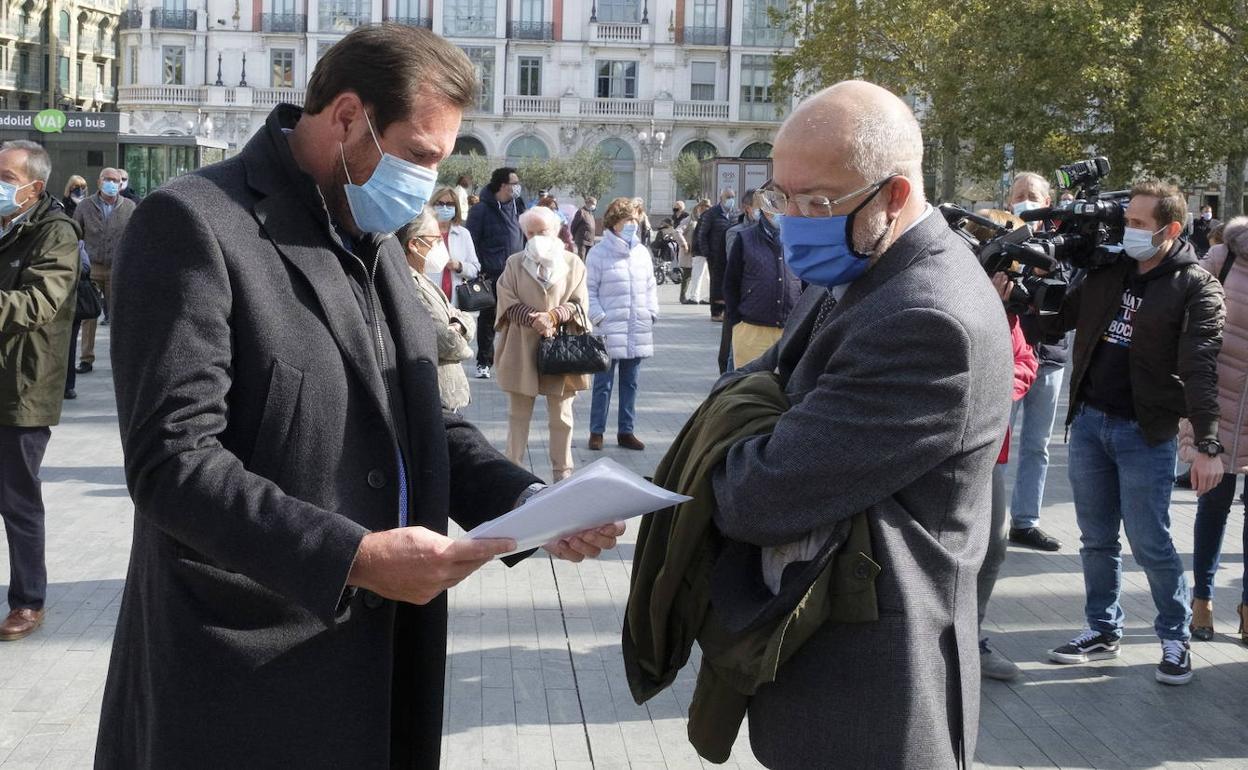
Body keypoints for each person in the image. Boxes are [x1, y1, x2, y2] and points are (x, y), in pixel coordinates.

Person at [94, 26, 622, 769]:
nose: (428, 184)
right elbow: (171, 463)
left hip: (380, 666)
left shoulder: (371, 240)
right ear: (346, 116)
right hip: (243, 674)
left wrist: (535, 509)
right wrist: (354, 557)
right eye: (418, 156)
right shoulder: (193, 223)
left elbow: (424, 420)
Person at [712, 81, 1011, 769]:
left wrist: (737, 436)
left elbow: (757, 495)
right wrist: (750, 422)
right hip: (830, 675)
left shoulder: (926, 317)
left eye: (817, 202)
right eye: (782, 198)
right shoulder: (865, 267)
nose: (794, 221)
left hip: (875, 699)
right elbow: (744, 390)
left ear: (895, 196)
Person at [1039, 180, 1224, 686]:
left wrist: (1207, 443)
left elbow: (1203, 367)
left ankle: (1174, 635)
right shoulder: (1108, 268)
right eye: (1127, 222)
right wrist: (1021, 291)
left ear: (1172, 229)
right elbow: (1055, 322)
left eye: (1140, 225)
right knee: (1096, 540)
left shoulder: (1195, 285)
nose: (1130, 232)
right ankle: (1101, 628)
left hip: (1146, 433)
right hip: (1090, 422)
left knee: (1150, 542)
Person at [0, 140, 80, 641]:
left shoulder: (57, 232)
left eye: (6, 178)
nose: (1, 186)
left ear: (34, 186)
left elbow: (38, 303)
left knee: (17, 499)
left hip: (21, 388)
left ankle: (28, 601)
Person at [1184, 216, 1248, 644]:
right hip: (1219, 405)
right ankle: (1202, 599)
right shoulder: (1225, 254)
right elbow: (1189, 311)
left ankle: (1247, 605)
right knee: (1214, 506)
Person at [493, 206, 590, 481]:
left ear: (557, 230)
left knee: (562, 418)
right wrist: (532, 318)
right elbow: (506, 300)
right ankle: (513, 473)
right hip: (520, 348)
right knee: (517, 416)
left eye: (542, 231)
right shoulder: (514, 263)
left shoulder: (573, 263)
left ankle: (563, 475)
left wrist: (552, 316)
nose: (536, 237)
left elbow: (579, 303)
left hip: (562, 349)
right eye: (531, 232)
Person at [1003, 172, 1067, 552]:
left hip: (1050, 356)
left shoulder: (1063, 245)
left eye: (1033, 195)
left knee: (1037, 445)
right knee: (996, 441)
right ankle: (985, 515)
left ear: (1047, 201)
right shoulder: (1004, 239)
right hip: (1008, 359)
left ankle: (1025, 521)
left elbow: (1073, 295)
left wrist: (1054, 270)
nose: (1025, 201)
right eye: (1019, 195)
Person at [586, 196, 659, 452]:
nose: (633, 224)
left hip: (636, 327)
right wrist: (599, 317)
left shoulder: (641, 252)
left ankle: (626, 431)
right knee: (602, 384)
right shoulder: (598, 253)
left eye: (635, 220)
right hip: (608, 329)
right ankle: (597, 432)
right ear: (615, 222)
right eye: (628, 219)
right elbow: (589, 291)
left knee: (631, 383)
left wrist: (651, 312)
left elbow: (651, 286)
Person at [396, 209, 475, 412]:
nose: (441, 245)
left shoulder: (425, 278)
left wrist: (458, 325)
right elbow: (444, 341)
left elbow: (462, 316)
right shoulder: (409, 283)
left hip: (446, 396)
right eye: (436, 239)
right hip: (433, 399)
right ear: (414, 245)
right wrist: (462, 342)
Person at [721, 195, 800, 368]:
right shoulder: (745, 238)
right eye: (777, 207)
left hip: (789, 330)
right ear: (765, 210)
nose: (781, 212)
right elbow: (731, 284)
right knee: (748, 387)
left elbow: (807, 283)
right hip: (752, 330)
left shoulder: (796, 239)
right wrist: (737, 322)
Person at [73, 167, 136, 372]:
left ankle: (121, 359)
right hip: (92, 267)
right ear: (99, 182)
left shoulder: (129, 207)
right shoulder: (85, 205)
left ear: (121, 184)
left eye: (116, 180)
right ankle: (86, 358)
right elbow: (75, 234)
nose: (112, 183)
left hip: (119, 268)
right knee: (89, 314)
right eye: (107, 179)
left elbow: (136, 237)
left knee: (119, 315)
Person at [466, 166, 526, 379]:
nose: (517, 187)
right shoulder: (481, 210)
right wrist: (478, 269)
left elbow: (525, 236)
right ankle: (484, 361)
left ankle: (514, 362)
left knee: (518, 317)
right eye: (514, 183)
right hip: (490, 274)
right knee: (488, 319)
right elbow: (471, 241)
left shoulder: (518, 206)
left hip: (517, 274)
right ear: (502, 185)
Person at [426, 185, 480, 308]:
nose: (445, 207)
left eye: (450, 204)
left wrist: (459, 266)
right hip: (430, 300)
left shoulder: (463, 234)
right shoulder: (423, 232)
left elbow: (475, 268)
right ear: (432, 205)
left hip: (456, 302)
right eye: (440, 203)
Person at [695, 188, 737, 322]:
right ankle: (716, 312)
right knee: (716, 284)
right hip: (715, 256)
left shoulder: (736, 214)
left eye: (732, 197)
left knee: (729, 283)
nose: (731, 199)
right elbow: (702, 235)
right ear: (721, 198)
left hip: (731, 256)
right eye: (728, 197)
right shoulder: (711, 213)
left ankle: (727, 311)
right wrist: (707, 253)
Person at [685, 198, 712, 304]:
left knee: (697, 274)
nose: (699, 209)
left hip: (700, 250)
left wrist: (699, 248)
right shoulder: (708, 217)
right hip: (705, 251)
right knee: (706, 276)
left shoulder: (704, 218)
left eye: (701, 207)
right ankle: (707, 297)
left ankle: (694, 296)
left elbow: (701, 235)